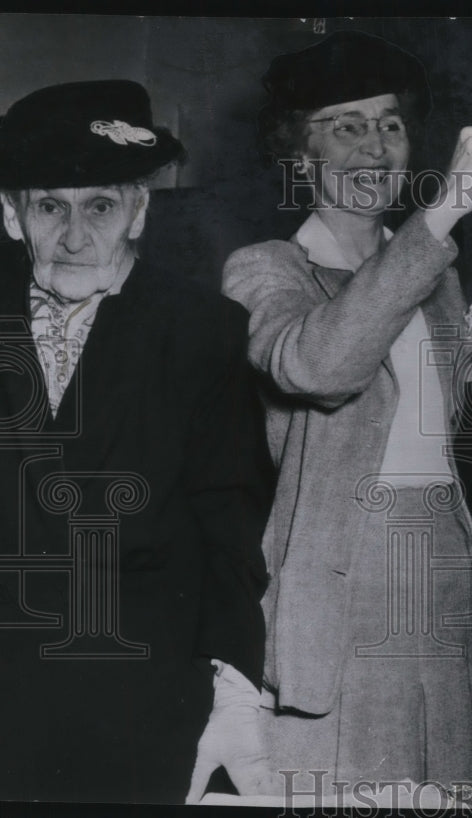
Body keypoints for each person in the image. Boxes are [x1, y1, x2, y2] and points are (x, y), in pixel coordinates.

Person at [221, 31, 472, 798]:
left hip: (446, 578)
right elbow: (320, 365)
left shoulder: (436, 279)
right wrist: (448, 207)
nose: (376, 144)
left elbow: (442, 441)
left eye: (389, 123)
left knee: (451, 787)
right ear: (299, 154)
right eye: (346, 125)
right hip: (344, 586)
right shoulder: (266, 269)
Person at [0, 80, 273, 803]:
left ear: (140, 210)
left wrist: (237, 689)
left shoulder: (201, 328)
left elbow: (231, 520)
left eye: (101, 206)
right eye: (49, 205)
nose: (75, 235)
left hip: (141, 693)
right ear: (10, 213)